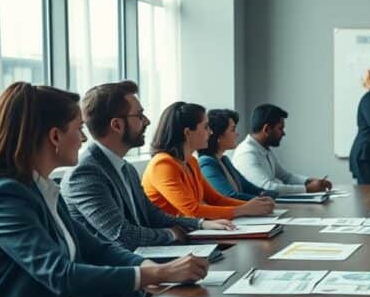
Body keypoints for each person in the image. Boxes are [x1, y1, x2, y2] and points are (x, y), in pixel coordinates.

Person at [0, 83, 209, 297]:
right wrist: (156, 273)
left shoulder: (43, 189)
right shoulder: (4, 197)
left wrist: (144, 265)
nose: (83, 138)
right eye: (79, 128)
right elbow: (60, 274)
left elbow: (96, 247)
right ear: (55, 136)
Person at [62, 81, 235, 250]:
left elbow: (154, 215)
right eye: (139, 115)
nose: (147, 121)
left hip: (143, 258)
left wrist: (201, 224)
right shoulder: (85, 173)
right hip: (118, 269)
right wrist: (171, 234)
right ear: (117, 125)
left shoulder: (125, 168)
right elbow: (122, 234)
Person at [141, 102, 275, 219]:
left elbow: (215, 199)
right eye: (206, 127)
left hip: (187, 231)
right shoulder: (163, 164)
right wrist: (244, 209)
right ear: (187, 133)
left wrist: (254, 206)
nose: (210, 132)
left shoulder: (191, 162)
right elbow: (193, 210)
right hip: (168, 239)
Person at [232, 103, 332, 194]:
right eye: (280, 128)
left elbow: (286, 177)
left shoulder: (264, 149)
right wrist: (308, 189)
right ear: (266, 129)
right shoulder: (246, 153)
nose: (283, 133)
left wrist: (310, 181)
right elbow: (267, 188)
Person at [198, 108, 277, 201]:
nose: (237, 134)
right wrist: (265, 200)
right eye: (233, 130)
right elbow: (230, 196)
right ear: (219, 135)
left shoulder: (224, 160)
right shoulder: (206, 163)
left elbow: (248, 187)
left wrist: (270, 195)